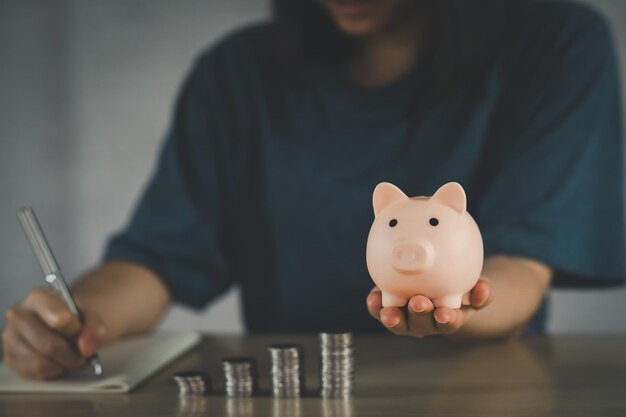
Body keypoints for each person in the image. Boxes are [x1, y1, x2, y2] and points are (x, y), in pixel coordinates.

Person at [3, 0, 625, 380]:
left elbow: (521, 265)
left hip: (485, 391)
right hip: (297, 393)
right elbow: (154, 258)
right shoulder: (236, 74)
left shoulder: (557, 45)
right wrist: (76, 322)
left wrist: (460, 304)